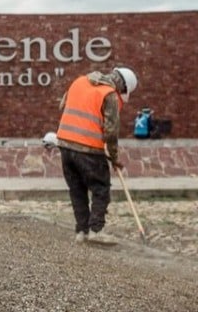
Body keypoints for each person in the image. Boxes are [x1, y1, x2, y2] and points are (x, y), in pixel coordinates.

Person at [55, 66, 138, 244]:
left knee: (77, 190)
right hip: (88, 149)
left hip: (64, 145)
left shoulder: (78, 82)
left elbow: (62, 105)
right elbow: (111, 131)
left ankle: (81, 232)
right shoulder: (109, 95)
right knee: (101, 189)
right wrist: (114, 158)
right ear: (122, 87)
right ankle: (95, 231)